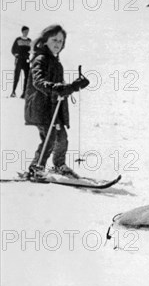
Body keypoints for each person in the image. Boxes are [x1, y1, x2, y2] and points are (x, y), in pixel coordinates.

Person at [25, 25, 90, 180]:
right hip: (41, 107)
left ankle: (59, 165)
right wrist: (58, 88)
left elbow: (60, 88)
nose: (57, 43)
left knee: (61, 138)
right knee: (50, 136)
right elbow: (38, 82)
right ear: (45, 40)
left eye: (60, 41)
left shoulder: (56, 62)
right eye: (54, 39)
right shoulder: (40, 59)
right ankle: (36, 167)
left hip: (55, 107)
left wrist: (74, 86)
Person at [10, 26, 32, 98]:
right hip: (19, 60)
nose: (26, 33)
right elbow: (13, 49)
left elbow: (32, 50)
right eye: (25, 31)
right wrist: (16, 54)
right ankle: (13, 91)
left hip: (26, 60)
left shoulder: (29, 40)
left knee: (27, 77)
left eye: (27, 32)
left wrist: (29, 55)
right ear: (22, 32)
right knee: (17, 76)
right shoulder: (18, 39)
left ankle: (24, 93)